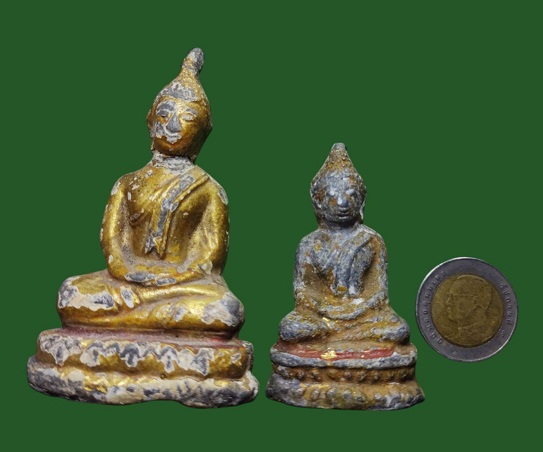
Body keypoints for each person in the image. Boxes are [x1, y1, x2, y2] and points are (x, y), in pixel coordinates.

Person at [57, 48, 243, 337]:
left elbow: (211, 257)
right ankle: (153, 319)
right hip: (127, 282)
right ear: (150, 121)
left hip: (181, 286)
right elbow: (112, 243)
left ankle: (136, 318)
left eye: (187, 117)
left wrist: (172, 277)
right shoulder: (127, 183)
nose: (172, 125)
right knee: (71, 292)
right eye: (165, 114)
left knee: (226, 309)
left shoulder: (208, 189)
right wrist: (129, 273)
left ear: (202, 132)